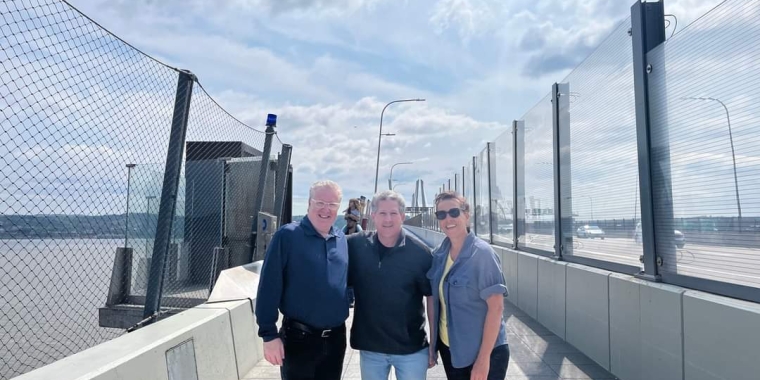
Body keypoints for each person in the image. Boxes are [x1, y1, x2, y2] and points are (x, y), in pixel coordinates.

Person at [255, 180, 349, 380]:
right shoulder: (287, 236)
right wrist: (268, 335)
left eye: (332, 205)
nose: (326, 209)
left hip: (336, 340)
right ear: (309, 203)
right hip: (299, 339)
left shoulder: (341, 239)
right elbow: (269, 286)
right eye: (320, 203)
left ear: (338, 208)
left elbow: (344, 280)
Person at [347, 190, 435, 380]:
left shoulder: (421, 253)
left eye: (393, 213)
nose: (388, 219)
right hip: (371, 350)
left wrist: (433, 344)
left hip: (411, 349)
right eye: (382, 213)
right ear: (373, 216)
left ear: (402, 216)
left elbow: (432, 298)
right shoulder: (354, 246)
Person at [427, 190, 509, 380]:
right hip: (452, 352)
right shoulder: (439, 255)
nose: (448, 219)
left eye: (454, 212)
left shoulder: (482, 254)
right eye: (441, 214)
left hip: (483, 354)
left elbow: (496, 309)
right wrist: (433, 345)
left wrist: (483, 360)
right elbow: (433, 301)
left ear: (466, 214)